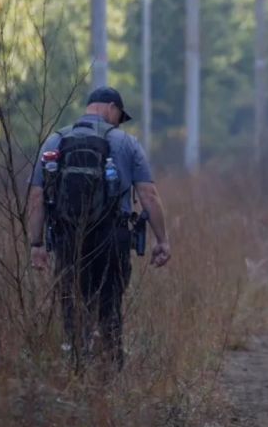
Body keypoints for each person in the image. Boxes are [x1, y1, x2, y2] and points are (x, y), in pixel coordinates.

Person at [27, 87, 171, 371]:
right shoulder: (127, 143)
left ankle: (74, 365)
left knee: (71, 301)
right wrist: (162, 240)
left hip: (68, 236)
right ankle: (110, 371)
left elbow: (36, 196)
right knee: (109, 303)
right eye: (119, 116)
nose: (118, 122)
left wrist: (36, 245)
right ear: (111, 107)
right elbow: (149, 195)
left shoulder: (55, 140)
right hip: (113, 236)